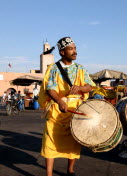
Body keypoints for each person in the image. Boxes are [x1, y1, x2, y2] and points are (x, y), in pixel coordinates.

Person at [38, 37, 96, 176]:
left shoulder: (80, 68)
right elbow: (49, 89)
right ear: (62, 52)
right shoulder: (53, 68)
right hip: (56, 111)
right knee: (50, 141)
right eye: (71, 49)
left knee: (73, 141)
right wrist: (60, 101)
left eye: (75, 48)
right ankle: (49, 173)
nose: (74, 51)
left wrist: (81, 88)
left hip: (75, 109)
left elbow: (91, 86)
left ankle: (70, 170)